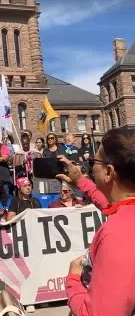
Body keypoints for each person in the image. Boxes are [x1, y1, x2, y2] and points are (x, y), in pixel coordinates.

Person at [58, 128, 135, 316]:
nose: (90, 167)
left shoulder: (117, 234)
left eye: (93, 161)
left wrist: (73, 279)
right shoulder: (125, 215)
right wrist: (81, 181)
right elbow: (114, 205)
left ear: (108, 171)